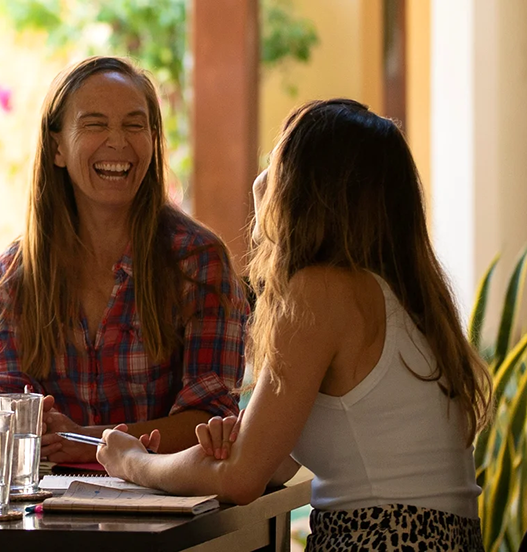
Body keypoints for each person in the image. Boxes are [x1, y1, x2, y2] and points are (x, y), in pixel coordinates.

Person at [97, 99, 490, 550]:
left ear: (304, 187)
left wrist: (132, 462)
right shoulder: (404, 297)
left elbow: (242, 479)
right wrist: (231, 448)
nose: (261, 179)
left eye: (275, 158)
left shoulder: (322, 292)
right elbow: (269, 462)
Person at [0, 56, 249, 462]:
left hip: (165, 509)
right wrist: (29, 424)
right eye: (95, 124)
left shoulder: (198, 261)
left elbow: (209, 420)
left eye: (135, 125)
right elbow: (0, 406)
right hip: (47, 511)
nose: (118, 142)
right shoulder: (15, 273)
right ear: (57, 148)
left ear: (153, 141)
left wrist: (84, 440)